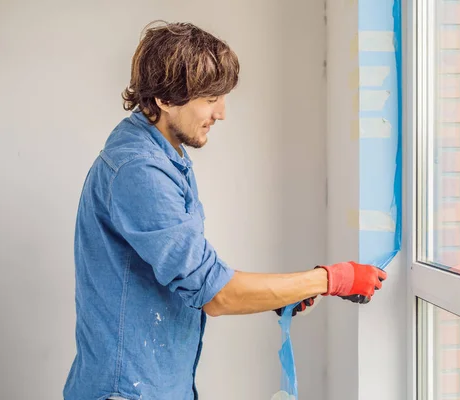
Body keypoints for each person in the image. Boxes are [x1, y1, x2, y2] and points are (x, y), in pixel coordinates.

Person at [63, 21, 387, 400]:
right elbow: (216, 294)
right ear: (165, 99)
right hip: (128, 392)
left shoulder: (164, 156)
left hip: (158, 385)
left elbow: (193, 270)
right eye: (210, 97)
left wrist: (277, 294)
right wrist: (332, 279)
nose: (221, 113)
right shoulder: (140, 170)